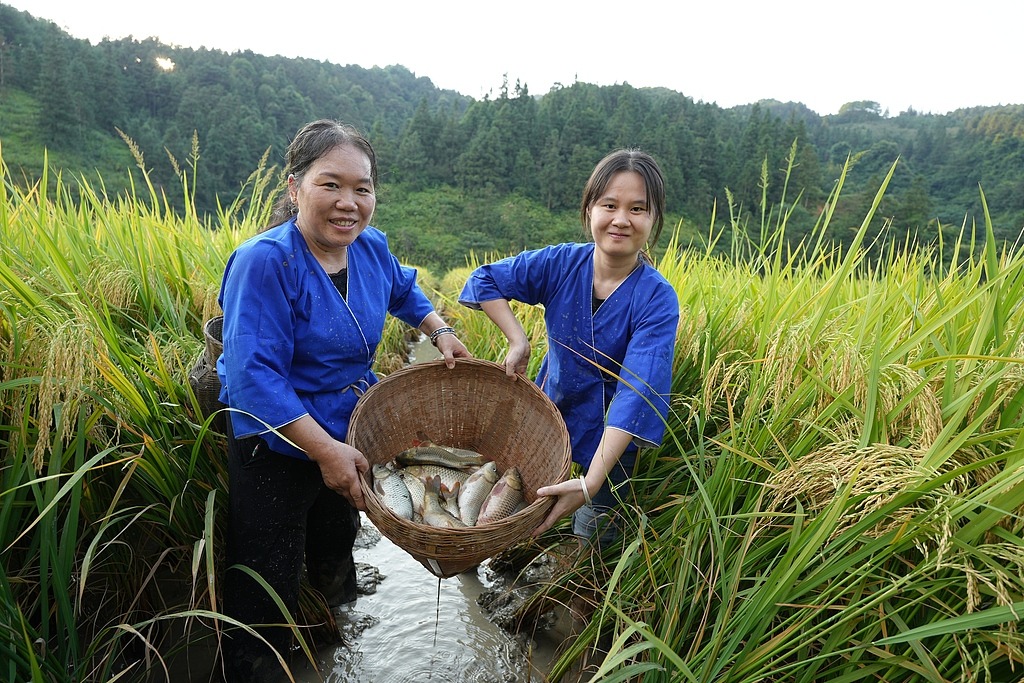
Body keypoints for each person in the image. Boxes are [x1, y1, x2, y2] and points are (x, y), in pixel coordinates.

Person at [216, 119, 470, 682]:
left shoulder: (369, 247)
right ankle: (256, 663)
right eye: (330, 185)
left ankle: (335, 641)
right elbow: (253, 377)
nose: (348, 203)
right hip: (276, 440)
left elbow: (404, 289)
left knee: (336, 543)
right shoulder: (266, 262)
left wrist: (437, 329)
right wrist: (323, 452)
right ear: (294, 187)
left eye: (363, 188)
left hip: (346, 426)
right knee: (265, 577)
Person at [458, 148, 679, 551]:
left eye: (637, 209)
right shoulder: (561, 263)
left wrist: (591, 481)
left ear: (653, 218)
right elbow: (485, 280)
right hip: (550, 413)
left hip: (613, 438)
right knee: (514, 509)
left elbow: (636, 393)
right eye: (609, 205)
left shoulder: (657, 299)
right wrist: (517, 339)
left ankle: (575, 590)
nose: (621, 219)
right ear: (590, 209)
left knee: (592, 535)